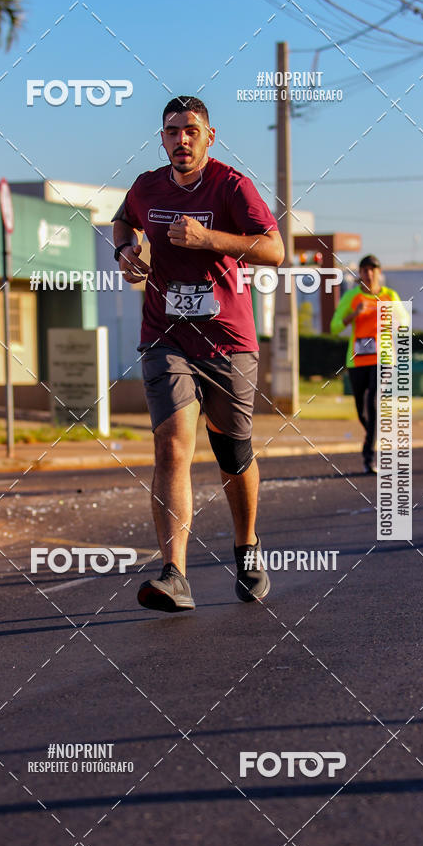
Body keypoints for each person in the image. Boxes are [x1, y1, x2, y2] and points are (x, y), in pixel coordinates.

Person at [112, 95, 284, 613]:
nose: (181, 139)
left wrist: (208, 237)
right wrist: (125, 252)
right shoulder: (146, 187)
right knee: (171, 445)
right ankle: (174, 574)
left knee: (232, 452)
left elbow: (274, 249)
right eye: (172, 131)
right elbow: (123, 223)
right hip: (165, 335)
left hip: (227, 339)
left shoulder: (232, 186)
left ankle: (247, 547)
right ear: (161, 139)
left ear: (210, 136)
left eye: (191, 130)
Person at [330, 255, 404, 474]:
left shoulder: (390, 296)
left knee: (373, 401)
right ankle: (373, 432)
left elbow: (404, 323)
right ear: (360, 274)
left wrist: (392, 321)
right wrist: (354, 314)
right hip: (357, 359)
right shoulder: (352, 297)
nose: (369, 274)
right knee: (362, 411)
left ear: (379, 273)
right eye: (364, 270)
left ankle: (368, 457)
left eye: (373, 270)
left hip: (383, 359)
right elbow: (334, 327)